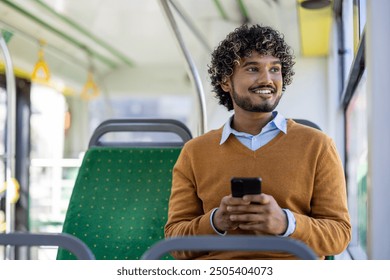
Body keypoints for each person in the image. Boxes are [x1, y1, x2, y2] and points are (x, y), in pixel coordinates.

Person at [164, 24, 351, 259]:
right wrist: (215, 222)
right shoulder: (194, 152)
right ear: (225, 81)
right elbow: (175, 243)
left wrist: (286, 223)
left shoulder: (318, 146)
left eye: (275, 69)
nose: (267, 79)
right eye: (252, 69)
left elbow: (339, 235)